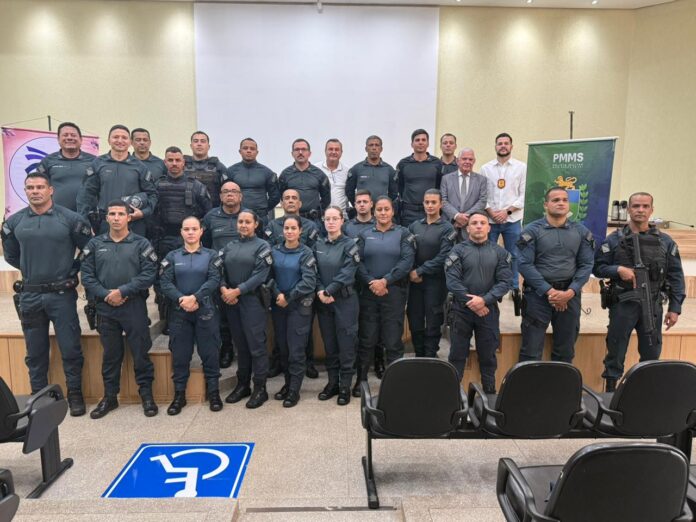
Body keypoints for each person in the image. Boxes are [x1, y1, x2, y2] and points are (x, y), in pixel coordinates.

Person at [2, 172, 92, 416]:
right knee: (35, 352)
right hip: (30, 295)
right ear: (25, 190)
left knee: (70, 348)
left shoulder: (71, 219)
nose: (35, 191)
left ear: (51, 190)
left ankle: (75, 394)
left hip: (61, 294)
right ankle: (39, 398)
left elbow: (88, 250)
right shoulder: (14, 222)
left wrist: (72, 269)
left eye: (40, 187)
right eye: (30, 187)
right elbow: (11, 255)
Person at [594, 192, 686, 392]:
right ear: (628, 209)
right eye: (636, 206)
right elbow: (598, 267)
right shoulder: (614, 240)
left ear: (652, 210)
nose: (640, 210)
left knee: (651, 353)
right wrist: (618, 270)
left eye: (645, 206)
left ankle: (645, 396)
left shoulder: (665, 242)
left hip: (652, 304)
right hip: (623, 304)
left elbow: (676, 276)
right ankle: (610, 394)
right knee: (615, 352)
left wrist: (675, 308)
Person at [80, 200, 158, 419]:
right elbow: (87, 275)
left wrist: (123, 291)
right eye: (112, 214)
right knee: (111, 356)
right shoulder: (95, 244)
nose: (116, 218)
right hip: (105, 308)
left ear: (128, 217)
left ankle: (147, 395)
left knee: (141, 353)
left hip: (134, 306)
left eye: (120, 214)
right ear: (106, 218)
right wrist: (107, 294)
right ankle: (110, 397)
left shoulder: (141, 243)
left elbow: (149, 274)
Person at [517, 187, 595, 363]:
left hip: (569, 296)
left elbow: (586, 264)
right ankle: (527, 383)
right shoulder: (531, 231)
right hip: (537, 296)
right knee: (531, 351)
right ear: (546, 205)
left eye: (565, 200)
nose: (561, 203)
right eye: (556, 200)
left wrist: (570, 292)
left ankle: (561, 383)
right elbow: (524, 264)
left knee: (565, 351)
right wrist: (550, 292)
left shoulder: (581, 232)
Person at [159, 216, 223, 414]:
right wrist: (182, 299)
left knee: (210, 353)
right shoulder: (172, 256)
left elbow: (214, 279)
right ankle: (179, 396)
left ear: (201, 231)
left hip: (206, 310)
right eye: (186, 229)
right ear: (181, 232)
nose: (190, 232)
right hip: (179, 312)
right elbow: (165, 282)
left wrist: (195, 297)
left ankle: (214, 393)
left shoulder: (212, 255)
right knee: (180, 354)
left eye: (194, 229)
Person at [444, 211, 512, 391]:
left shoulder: (500, 253)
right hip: (461, 311)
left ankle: (489, 392)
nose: (479, 226)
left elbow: (505, 282)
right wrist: (473, 303)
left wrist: (484, 300)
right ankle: (453, 394)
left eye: (483, 223)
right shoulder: (457, 251)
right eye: (474, 223)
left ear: (489, 228)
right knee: (457, 354)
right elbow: (452, 281)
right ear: (468, 228)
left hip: (488, 311)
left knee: (488, 355)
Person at [355, 196, 415, 395]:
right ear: (374, 212)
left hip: (394, 293)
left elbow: (406, 261)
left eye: (386, 209)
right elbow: (357, 261)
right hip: (369, 292)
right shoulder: (364, 234)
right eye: (379, 209)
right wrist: (372, 282)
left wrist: (385, 281)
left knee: (393, 340)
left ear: (392, 212)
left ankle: (394, 384)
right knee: (367, 338)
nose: (382, 213)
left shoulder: (403, 233)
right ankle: (361, 381)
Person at [220, 210, 273, 408]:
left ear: (255, 224)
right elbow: (219, 270)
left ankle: (260, 388)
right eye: (240, 221)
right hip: (231, 301)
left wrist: (237, 291)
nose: (243, 225)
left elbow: (260, 275)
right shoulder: (229, 246)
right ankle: (243, 385)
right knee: (240, 346)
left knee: (256, 346)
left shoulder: (263, 246)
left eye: (247, 222)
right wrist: (224, 289)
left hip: (252, 301)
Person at [268, 216, 317, 407]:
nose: (289, 231)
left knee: (296, 350)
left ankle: (294, 390)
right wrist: (278, 294)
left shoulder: (306, 253)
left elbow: (309, 282)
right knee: (283, 348)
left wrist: (288, 297)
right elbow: (269, 277)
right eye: (286, 228)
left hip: (298, 306)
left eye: (293, 228)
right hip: (279, 305)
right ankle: (287, 384)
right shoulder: (274, 250)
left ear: (300, 231)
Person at [77, 124, 158, 237]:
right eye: (116, 137)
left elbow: (152, 194)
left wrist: (143, 213)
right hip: (106, 223)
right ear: (109, 140)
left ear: (130, 142)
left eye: (124, 138)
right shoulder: (98, 164)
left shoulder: (140, 167)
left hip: (133, 223)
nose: (120, 141)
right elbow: (86, 194)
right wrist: (84, 220)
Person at [315, 206, 360, 405]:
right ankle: (333, 383)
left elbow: (347, 272)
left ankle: (345, 387)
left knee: (346, 345)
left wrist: (329, 291)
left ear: (342, 221)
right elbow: (313, 271)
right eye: (328, 219)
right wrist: (320, 291)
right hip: (324, 302)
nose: (331, 222)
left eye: (335, 218)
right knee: (330, 344)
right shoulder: (318, 244)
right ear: (323, 221)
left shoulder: (350, 244)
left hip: (345, 301)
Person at [407, 189, 456, 357]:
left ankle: (430, 356)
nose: (430, 205)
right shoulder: (414, 226)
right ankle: (419, 354)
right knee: (415, 319)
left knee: (433, 320)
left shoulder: (447, 228)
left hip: (435, 282)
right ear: (423, 204)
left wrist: (420, 271)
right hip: (415, 282)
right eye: (427, 202)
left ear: (441, 204)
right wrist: (412, 271)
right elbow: (407, 251)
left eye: (433, 202)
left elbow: (444, 256)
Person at [341, 189, 384, 379]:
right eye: (358, 202)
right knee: (356, 325)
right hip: (352, 282)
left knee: (376, 324)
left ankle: (379, 360)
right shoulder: (347, 227)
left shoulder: (379, 224)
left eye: (365, 201)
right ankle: (356, 363)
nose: (362, 205)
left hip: (373, 281)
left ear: (371, 204)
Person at [202, 180, 243, 368]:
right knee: (222, 317)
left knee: (245, 317)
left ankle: (245, 351)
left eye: (234, 191)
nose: (230, 194)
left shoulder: (248, 216)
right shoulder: (211, 217)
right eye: (226, 191)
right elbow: (206, 244)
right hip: (219, 274)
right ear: (220, 196)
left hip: (244, 273)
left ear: (240, 196)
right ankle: (226, 349)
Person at [481, 132, 526, 297]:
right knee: (489, 255)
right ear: (495, 146)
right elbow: (482, 195)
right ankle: (490, 286)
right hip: (490, 220)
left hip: (512, 219)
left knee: (513, 255)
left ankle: (513, 287)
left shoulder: (521, 167)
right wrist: (491, 213)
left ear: (511, 146)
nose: (503, 146)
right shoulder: (486, 168)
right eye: (500, 143)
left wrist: (507, 212)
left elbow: (524, 195)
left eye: (506, 143)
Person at [36, 121, 96, 211]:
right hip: (57, 214)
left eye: (73, 135)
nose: (69, 138)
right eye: (65, 135)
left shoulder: (94, 161)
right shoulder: (47, 161)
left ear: (81, 139)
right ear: (58, 139)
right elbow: (39, 186)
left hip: (87, 214)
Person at [225, 138, 280, 232]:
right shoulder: (231, 171)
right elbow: (224, 193)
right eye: (245, 148)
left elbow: (275, 196)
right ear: (240, 151)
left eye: (252, 149)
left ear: (257, 152)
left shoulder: (267, 172)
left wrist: (264, 208)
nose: (249, 151)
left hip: (260, 217)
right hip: (237, 217)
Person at [278, 139, 331, 227]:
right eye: (297, 149)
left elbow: (326, 199)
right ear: (292, 154)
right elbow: (280, 197)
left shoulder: (319, 174)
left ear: (309, 153)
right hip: (291, 220)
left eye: (303, 149)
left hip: (314, 220)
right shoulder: (285, 175)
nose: (300, 152)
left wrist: (318, 211)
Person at [396, 129, 443, 226]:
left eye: (423, 140)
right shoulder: (403, 163)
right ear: (412, 144)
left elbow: (439, 186)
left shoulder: (437, 163)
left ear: (428, 143)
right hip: (409, 212)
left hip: (430, 211)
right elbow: (400, 186)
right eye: (417, 140)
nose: (420, 142)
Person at [441, 148, 488, 242]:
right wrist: (456, 216)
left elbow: (482, 201)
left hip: (470, 226)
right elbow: (443, 200)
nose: (467, 162)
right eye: (464, 159)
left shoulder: (481, 180)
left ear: (474, 161)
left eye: (470, 159)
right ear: (457, 161)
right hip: (450, 224)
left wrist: (465, 217)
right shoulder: (446, 179)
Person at [345, 135, 398, 210]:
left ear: (381, 149)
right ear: (366, 149)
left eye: (377, 145)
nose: (374, 148)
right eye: (371, 145)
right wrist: (358, 206)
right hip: (363, 212)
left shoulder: (389, 170)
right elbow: (349, 191)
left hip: (381, 212)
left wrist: (385, 206)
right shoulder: (356, 169)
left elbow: (394, 193)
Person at [184, 131, 227, 207]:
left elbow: (227, 190)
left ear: (208, 146)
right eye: (195, 141)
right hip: (188, 211)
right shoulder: (182, 165)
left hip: (212, 211)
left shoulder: (218, 166)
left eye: (203, 141)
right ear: (191, 146)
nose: (199, 144)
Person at [319, 139, 349, 214]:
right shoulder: (316, 169)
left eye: (337, 149)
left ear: (341, 152)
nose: (333, 152)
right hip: (321, 216)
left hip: (341, 216)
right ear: (325, 151)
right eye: (330, 149)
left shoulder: (348, 171)